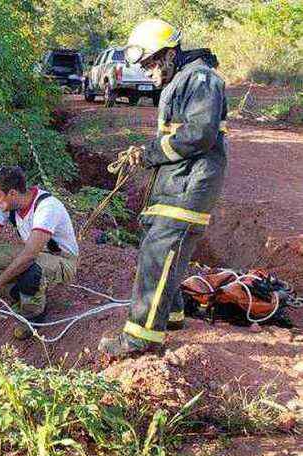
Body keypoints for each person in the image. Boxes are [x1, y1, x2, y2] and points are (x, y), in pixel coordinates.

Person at [98, 19, 228, 358]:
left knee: (159, 252)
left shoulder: (200, 79)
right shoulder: (184, 80)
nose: (149, 72)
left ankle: (140, 340)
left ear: (170, 54)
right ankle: (171, 316)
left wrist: (149, 153)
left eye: (152, 63)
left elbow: (200, 134)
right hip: (177, 180)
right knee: (161, 248)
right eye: (144, 66)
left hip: (190, 183)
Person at [0, 166, 79, 339]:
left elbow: (29, 255)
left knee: (31, 271)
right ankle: (18, 291)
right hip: (35, 254)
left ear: (13, 193)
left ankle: (33, 316)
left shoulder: (46, 207)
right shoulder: (6, 205)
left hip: (62, 261)